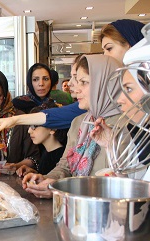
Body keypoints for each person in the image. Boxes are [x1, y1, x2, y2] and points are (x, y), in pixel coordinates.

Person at [0, 19, 145, 134]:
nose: (105, 56)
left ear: (133, 45)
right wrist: (14, 120)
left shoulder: (149, 91)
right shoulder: (87, 117)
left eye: (109, 48)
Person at [22, 55, 126, 198]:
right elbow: (65, 166)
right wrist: (47, 180)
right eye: (77, 81)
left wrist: (61, 191)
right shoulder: (79, 122)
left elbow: (121, 183)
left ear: (105, 85)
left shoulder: (126, 126)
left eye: (83, 82)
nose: (76, 89)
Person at [16, 100, 68, 177]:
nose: (29, 131)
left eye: (35, 126)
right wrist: (34, 173)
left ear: (53, 129)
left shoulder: (61, 157)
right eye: (29, 126)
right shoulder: (46, 151)